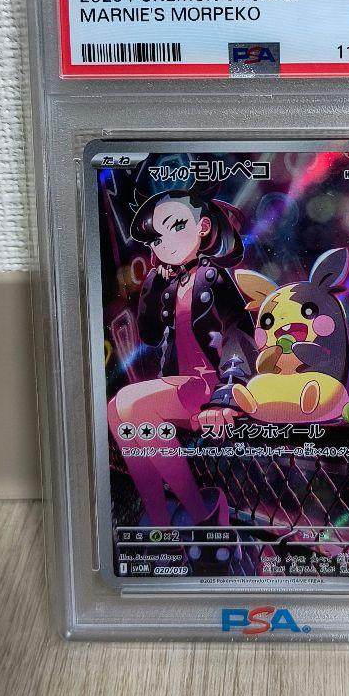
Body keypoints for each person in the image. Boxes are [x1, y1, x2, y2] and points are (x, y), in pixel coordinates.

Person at [108, 185, 255, 527]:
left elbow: (239, 329)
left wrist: (229, 391)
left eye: (175, 226)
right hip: (182, 386)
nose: (164, 244)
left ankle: (199, 511)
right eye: (156, 239)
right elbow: (149, 335)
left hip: (210, 385)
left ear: (203, 227)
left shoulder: (212, 277)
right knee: (115, 409)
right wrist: (154, 286)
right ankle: (159, 519)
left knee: (131, 403)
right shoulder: (170, 284)